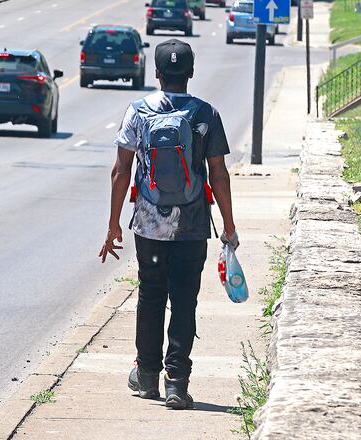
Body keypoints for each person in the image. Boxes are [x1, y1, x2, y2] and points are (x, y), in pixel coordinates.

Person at [99, 39, 238, 410]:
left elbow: (120, 171)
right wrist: (229, 224)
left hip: (148, 224)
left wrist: (114, 224)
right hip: (192, 225)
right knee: (184, 300)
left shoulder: (138, 113)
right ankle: (176, 382)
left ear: (156, 73)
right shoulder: (205, 114)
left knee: (150, 294)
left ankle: (146, 377)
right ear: (190, 72)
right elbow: (218, 174)